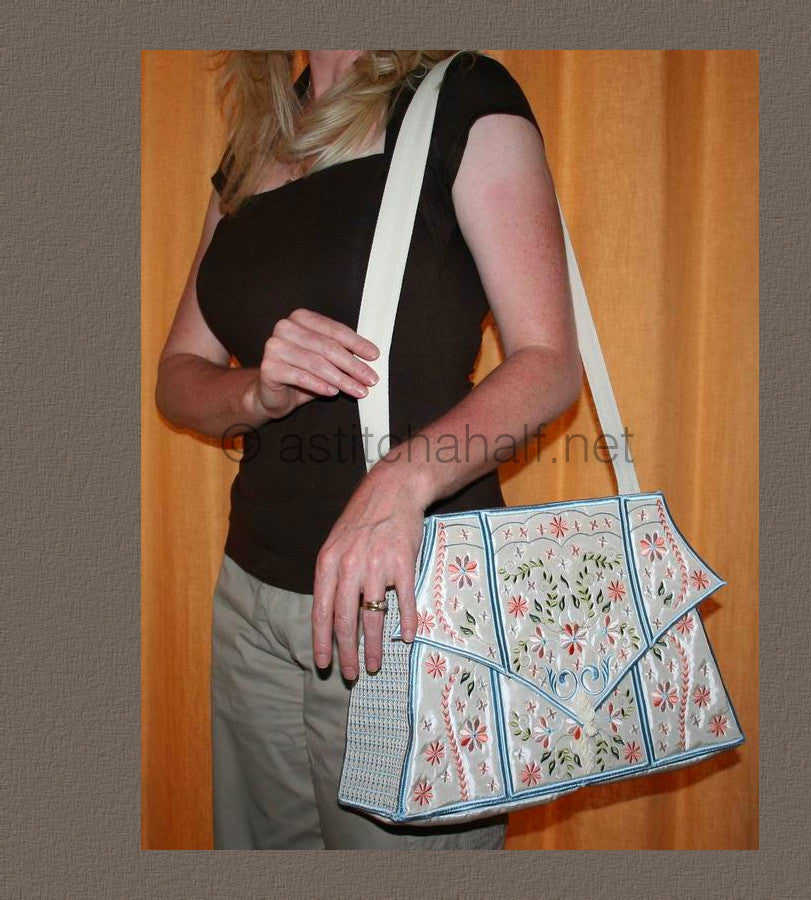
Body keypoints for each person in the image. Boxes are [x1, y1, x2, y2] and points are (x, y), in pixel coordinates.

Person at [156, 49, 582, 850]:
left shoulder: (460, 96)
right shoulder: (253, 147)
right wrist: (256, 394)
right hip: (250, 599)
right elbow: (178, 375)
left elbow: (550, 363)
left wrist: (399, 482)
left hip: (408, 604)